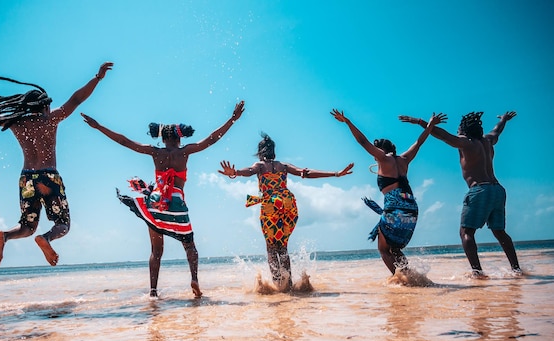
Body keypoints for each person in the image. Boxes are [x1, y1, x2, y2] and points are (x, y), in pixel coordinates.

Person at [0, 62, 114, 267]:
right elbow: (76, 99)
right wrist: (97, 78)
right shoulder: (52, 119)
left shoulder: (16, 122)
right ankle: (47, 239)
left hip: (26, 178)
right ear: (45, 106)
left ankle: (5, 236)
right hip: (49, 176)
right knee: (62, 224)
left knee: (27, 226)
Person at [81, 101, 245, 298]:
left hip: (156, 202)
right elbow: (211, 140)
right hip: (175, 202)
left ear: (163, 138)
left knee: (156, 251)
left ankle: (153, 292)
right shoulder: (184, 152)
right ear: (178, 137)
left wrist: (98, 126)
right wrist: (232, 120)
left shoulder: (155, 152)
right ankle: (194, 279)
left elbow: (125, 142)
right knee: (190, 246)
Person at [218, 132, 354, 291]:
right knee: (282, 246)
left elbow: (249, 170)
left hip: (270, 205)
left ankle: (278, 285)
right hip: (288, 204)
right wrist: (336, 174)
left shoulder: (260, 166)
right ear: (274, 151)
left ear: (260, 152)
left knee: (270, 247)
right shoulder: (283, 166)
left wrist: (235, 173)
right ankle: (288, 285)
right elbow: (306, 172)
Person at [399, 111, 521, 276]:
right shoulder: (488, 141)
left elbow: (444, 136)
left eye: (458, 129)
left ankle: (477, 272)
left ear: (464, 130)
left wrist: (423, 123)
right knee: (500, 232)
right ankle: (516, 269)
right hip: (497, 190)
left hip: (480, 189)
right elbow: (497, 130)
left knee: (466, 233)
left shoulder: (466, 143)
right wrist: (504, 119)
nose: (457, 131)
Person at [331, 109, 446, 276]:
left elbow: (363, 141)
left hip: (395, 208)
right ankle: (409, 277)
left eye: (375, 152)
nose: (374, 156)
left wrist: (347, 122)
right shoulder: (405, 159)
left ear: (381, 150)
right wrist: (430, 125)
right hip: (411, 208)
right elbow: (418, 142)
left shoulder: (384, 159)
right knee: (394, 247)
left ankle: (400, 280)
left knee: (383, 249)